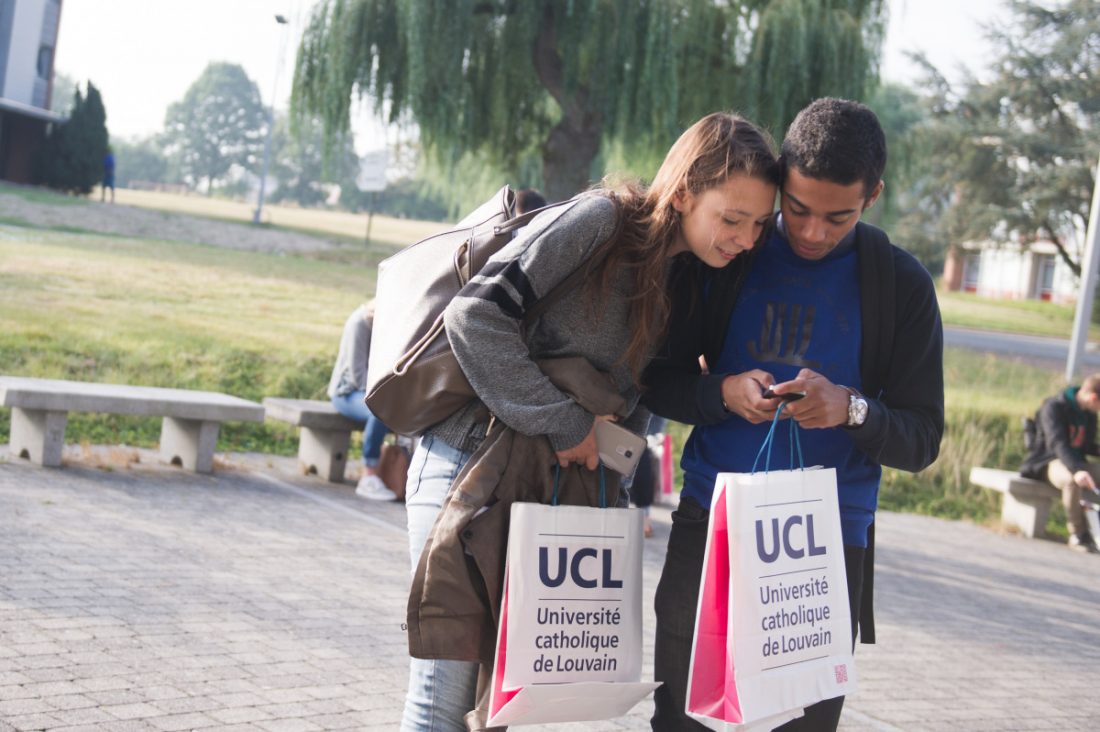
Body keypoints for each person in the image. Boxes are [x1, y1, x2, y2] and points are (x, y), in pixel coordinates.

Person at [400, 112, 781, 732]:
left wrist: (614, 484)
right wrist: (565, 423)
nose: (743, 237)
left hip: (546, 489)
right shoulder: (601, 222)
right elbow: (474, 317)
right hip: (466, 470)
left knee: (505, 704)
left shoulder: (688, 275)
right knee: (442, 697)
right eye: (731, 218)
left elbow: (642, 392)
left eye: (758, 225)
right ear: (683, 191)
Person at [643, 98, 945, 731]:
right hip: (712, 520)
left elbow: (921, 440)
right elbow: (654, 380)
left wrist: (851, 409)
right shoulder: (728, 253)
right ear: (780, 178)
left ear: (873, 196)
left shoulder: (901, 285)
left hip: (828, 542)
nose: (811, 232)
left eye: (838, 217)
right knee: (682, 720)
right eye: (798, 208)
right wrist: (720, 393)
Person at [1020, 374, 1100, 553]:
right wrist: (1077, 470)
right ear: (1094, 398)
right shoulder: (1054, 407)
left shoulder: (1089, 414)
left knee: (1080, 474)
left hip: (1077, 462)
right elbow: (1057, 443)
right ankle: (1078, 534)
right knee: (1072, 480)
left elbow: (1085, 446)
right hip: (1049, 463)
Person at [327, 301, 397, 501]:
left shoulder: (388, 325)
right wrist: (387, 397)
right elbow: (358, 376)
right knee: (379, 410)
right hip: (347, 393)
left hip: (376, 392)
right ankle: (369, 475)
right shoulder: (360, 323)